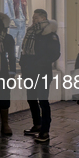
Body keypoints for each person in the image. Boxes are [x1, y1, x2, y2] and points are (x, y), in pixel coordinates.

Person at [20, 9, 60, 143]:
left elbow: (55, 54)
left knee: (43, 100)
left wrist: (40, 63)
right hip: (29, 71)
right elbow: (24, 50)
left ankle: (45, 131)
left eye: (36, 18)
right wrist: (23, 63)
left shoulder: (50, 34)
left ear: (44, 18)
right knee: (31, 99)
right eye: (33, 18)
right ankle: (36, 124)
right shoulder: (31, 32)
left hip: (42, 72)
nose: (33, 20)